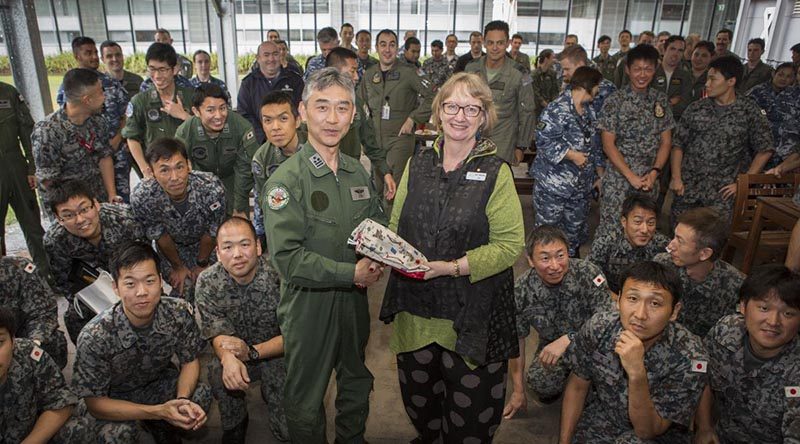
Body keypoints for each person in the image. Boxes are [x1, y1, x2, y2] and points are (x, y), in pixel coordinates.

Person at [380, 71, 524, 443]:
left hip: (471, 317)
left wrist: (452, 268)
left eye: (471, 108)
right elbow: (398, 226)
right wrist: (383, 249)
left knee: (469, 422)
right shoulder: (418, 163)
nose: (460, 116)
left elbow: (510, 246)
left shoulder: (497, 173)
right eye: (452, 106)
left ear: (484, 116)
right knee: (422, 410)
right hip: (416, 312)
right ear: (439, 112)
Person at [263, 68, 387, 443]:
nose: (332, 119)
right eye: (322, 107)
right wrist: (352, 273)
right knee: (305, 398)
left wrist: (385, 252)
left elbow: (376, 225)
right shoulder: (286, 181)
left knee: (355, 382)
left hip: (353, 304)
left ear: (353, 115)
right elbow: (287, 259)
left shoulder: (356, 173)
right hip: (307, 306)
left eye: (342, 108)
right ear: (303, 112)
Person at [72, 241, 211, 441]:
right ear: (116, 288)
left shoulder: (178, 312)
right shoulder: (95, 336)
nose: (142, 292)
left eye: (149, 281)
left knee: (198, 396)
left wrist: (180, 400)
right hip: (114, 398)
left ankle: (165, 429)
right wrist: (156, 411)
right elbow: (95, 404)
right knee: (117, 436)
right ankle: (157, 421)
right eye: (130, 283)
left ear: (160, 280)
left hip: (156, 383)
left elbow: (189, 361)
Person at [560, 261, 707, 443]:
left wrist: (637, 373)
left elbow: (649, 430)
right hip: (606, 417)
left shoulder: (690, 357)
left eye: (655, 303)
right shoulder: (599, 327)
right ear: (619, 299)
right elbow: (578, 385)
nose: (640, 314)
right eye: (632, 299)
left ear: (674, 311)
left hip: (656, 434)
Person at [195, 217, 289, 442]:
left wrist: (253, 352)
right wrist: (227, 357)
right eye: (228, 247)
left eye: (244, 244)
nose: (237, 254)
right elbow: (216, 333)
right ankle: (235, 421)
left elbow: (297, 336)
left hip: (278, 354)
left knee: (287, 432)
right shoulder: (208, 282)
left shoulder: (280, 276)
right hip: (237, 355)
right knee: (218, 370)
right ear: (217, 252)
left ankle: (274, 394)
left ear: (258, 246)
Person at [507, 226, 612, 415]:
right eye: (545, 258)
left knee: (599, 401)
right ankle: (570, 377)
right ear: (530, 260)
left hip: (595, 346)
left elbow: (608, 321)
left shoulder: (588, 273)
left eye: (560, 255)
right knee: (540, 383)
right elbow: (517, 340)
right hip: (552, 347)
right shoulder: (521, 290)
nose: (555, 266)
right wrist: (518, 390)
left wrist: (569, 338)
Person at [695, 265, 800, 443]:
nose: (774, 322)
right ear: (743, 307)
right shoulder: (726, 331)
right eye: (764, 308)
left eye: (788, 313)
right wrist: (705, 427)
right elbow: (698, 375)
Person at [670, 55, 774, 224]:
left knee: (713, 242)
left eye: (713, 79)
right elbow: (678, 145)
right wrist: (676, 177)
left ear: (731, 81)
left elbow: (765, 149)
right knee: (678, 236)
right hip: (688, 189)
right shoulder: (697, 108)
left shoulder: (748, 110)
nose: (707, 84)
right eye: (707, 79)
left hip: (722, 194)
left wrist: (742, 182)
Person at [44, 180, 144, 345]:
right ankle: (96, 362)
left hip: (133, 284)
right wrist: (102, 304)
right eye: (68, 215)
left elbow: (146, 264)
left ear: (96, 204)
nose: (80, 220)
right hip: (93, 293)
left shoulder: (125, 220)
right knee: (75, 317)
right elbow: (66, 284)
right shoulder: (55, 241)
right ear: (58, 218)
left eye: (84, 209)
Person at [130, 137, 226, 302]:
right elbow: (160, 235)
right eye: (164, 170)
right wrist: (178, 267)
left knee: (214, 285)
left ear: (188, 165)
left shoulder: (211, 188)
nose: (174, 177)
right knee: (184, 288)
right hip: (172, 249)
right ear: (151, 172)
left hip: (206, 245)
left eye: (179, 167)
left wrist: (201, 264)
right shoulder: (143, 197)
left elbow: (212, 231)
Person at [597, 44, 674, 237]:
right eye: (637, 69)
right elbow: (608, 144)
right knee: (612, 232)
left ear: (655, 70)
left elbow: (666, 142)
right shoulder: (615, 101)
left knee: (643, 233)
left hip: (649, 180)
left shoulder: (660, 101)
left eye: (648, 69)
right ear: (627, 70)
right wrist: (630, 176)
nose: (642, 74)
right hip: (619, 179)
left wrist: (655, 172)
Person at [532, 66, 604, 256]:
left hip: (581, 187)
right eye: (597, 86)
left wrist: (599, 175)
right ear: (588, 85)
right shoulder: (556, 109)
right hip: (553, 187)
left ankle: (569, 269)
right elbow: (543, 141)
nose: (599, 90)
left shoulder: (589, 111)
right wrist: (572, 155)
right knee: (547, 234)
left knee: (573, 233)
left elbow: (594, 144)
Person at [359, 29, 434, 199]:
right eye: (383, 44)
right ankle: (380, 224)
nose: (387, 49)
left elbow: (433, 96)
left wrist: (413, 118)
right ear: (376, 48)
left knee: (393, 188)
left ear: (397, 48)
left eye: (392, 45)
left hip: (399, 139)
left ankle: (393, 225)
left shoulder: (409, 72)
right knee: (377, 188)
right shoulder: (370, 74)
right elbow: (359, 102)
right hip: (376, 142)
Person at [0, 307, 90, 442]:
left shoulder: (28, 354)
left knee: (79, 429)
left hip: (30, 437)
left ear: (13, 341)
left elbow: (61, 402)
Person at [33, 68, 117, 212]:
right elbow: (48, 181)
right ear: (87, 100)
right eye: (100, 92)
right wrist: (72, 212)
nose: (104, 97)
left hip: (98, 201)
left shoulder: (98, 122)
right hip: (69, 209)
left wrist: (112, 195)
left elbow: (104, 157)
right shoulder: (47, 131)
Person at [654, 207, 744, 337]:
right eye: (674, 237)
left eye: (680, 241)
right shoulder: (662, 265)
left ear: (704, 253)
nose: (670, 246)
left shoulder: (733, 285)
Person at [175, 83, 258, 216]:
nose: (218, 115)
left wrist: (239, 207)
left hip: (233, 182)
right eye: (210, 110)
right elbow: (180, 166)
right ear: (196, 111)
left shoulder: (241, 127)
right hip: (200, 184)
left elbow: (245, 170)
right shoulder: (185, 131)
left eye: (222, 108)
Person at [324, 47, 395, 198]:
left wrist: (386, 173)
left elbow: (370, 143)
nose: (356, 77)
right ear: (333, 72)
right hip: (320, 177)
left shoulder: (357, 104)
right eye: (352, 71)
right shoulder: (313, 105)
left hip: (349, 175)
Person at [465, 20, 535, 164]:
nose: (495, 48)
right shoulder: (471, 69)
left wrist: (521, 146)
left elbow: (527, 111)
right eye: (490, 43)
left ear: (508, 43)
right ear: (484, 43)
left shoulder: (520, 74)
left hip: (502, 143)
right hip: (471, 140)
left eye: (500, 43)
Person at [122, 42, 195, 178]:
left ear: (174, 69)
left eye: (162, 70)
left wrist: (184, 115)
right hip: (156, 173)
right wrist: (145, 169)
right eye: (152, 69)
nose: (156, 76)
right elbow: (132, 137)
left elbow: (206, 129)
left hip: (189, 170)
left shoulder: (191, 96)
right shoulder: (140, 101)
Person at [246, 91, 306, 249]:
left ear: (298, 120)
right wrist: (260, 237)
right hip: (284, 224)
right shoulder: (262, 159)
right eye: (268, 121)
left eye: (283, 119)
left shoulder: (317, 147)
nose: (276, 127)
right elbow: (262, 201)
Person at [0, 80, 48, 273]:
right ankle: (4, 283)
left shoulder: (8, 93)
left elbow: (27, 131)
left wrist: (32, 168)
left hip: (16, 167)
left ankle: (46, 275)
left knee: (33, 226)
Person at [588, 194, 670, 294]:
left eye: (651, 223)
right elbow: (592, 274)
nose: (645, 230)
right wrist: (608, 293)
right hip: (614, 295)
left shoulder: (664, 245)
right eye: (637, 222)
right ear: (624, 221)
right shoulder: (605, 244)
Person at [0, 255, 67, 368]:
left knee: (52, 342)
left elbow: (43, 312)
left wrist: (32, 344)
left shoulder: (20, 268)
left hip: (16, 339)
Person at [238, 40, 304, 144]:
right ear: (258, 58)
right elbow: (244, 114)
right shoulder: (248, 83)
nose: (271, 59)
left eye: (275, 54)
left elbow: (301, 110)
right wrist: (264, 137)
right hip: (260, 142)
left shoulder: (295, 80)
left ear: (281, 56)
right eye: (266, 55)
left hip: (291, 141)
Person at [747, 62, 798, 164]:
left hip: (785, 154)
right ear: (773, 73)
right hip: (757, 149)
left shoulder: (796, 96)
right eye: (781, 74)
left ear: (793, 79)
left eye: (788, 76)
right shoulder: (757, 92)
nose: (783, 79)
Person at [654, 35, 693, 121]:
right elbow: (646, 101)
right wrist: (671, 102)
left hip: (674, 124)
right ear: (664, 50)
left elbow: (685, 104)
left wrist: (661, 106)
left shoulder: (686, 77)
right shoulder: (652, 72)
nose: (675, 53)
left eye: (680, 50)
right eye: (672, 49)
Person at [532, 49, 559, 119]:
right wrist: (547, 106)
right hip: (536, 111)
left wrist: (553, 105)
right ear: (546, 59)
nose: (554, 60)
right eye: (553, 58)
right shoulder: (533, 75)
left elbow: (555, 91)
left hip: (549, 109)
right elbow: (535, 94)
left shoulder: (552, 74)